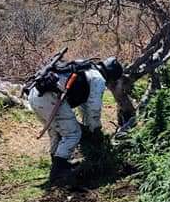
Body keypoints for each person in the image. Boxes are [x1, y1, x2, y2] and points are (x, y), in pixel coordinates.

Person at [25, 55, 123, 186]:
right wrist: (95, 131)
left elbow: (85, 107)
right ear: (111, 76)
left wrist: (89, 126)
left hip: (35, 95)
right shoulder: (98, 79)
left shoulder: (86, 68)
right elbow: (93, 110)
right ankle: (59, 171)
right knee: (73, 134)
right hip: (50, 98)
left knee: (56, 131)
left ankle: (58, 164)